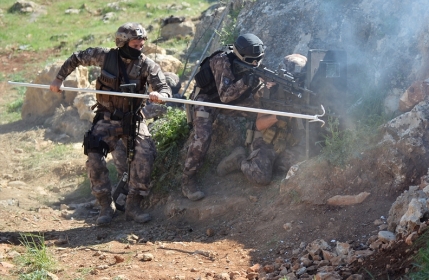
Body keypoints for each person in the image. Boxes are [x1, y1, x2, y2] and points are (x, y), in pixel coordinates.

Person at [49, 23, 171, 226]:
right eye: (135, 44)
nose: (139, 47)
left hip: (133, 118)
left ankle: (133, 205)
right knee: (94, 156)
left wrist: (161, 95)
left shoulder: (147, 64)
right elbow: (77, 58)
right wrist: (59, 78)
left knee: (146, 153)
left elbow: (164, 88)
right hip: (106, 118)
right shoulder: (104, 56)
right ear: (122, 42)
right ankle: (105, 206)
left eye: (141, 44)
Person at [182, 33, 265, 201]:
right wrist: (247, 82)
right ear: (241, 55)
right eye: (251, 60)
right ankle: (188, 178)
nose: (255, 63)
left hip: (233, 99)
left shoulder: (252, 62)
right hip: (207, 99)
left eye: (259, 59)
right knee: (202, 137)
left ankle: (252, 156)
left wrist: (263, 85)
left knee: (262, 112)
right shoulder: (222, 60)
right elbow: (225, 95)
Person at [216, 54, 306, 185]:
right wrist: (280, 115)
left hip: (287, 145)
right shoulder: (268, 92)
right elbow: (259, 124)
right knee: (261, 176)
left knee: (304, 165)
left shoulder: (305, 94)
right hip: (266, 143)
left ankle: (268, 164)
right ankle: (239, 159)